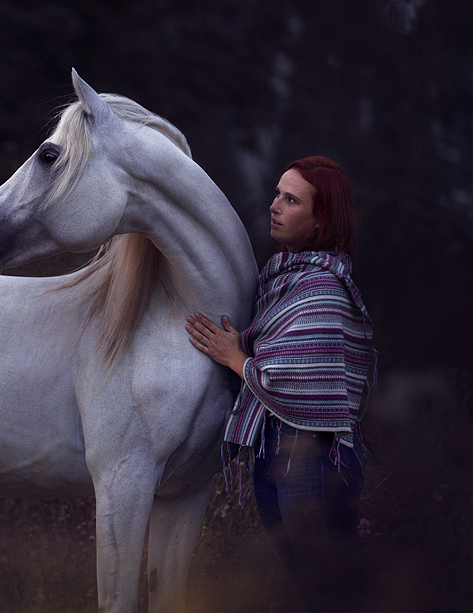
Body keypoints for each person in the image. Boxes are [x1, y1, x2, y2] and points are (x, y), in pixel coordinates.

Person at [185, 156, 376, 611]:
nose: (275, 206)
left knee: (328, 592)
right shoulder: (282, 280)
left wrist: (235, 356)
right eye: (277, 193)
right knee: (310, 590)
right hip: (276, 453)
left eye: (291, 200)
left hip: (314, 459)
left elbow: (298, 382)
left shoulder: (323, 289)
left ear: (321, 219)